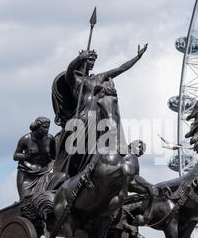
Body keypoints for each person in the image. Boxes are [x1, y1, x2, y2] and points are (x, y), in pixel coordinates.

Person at [51, 44, 148, 177]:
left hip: (99, 114)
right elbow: (69, 69)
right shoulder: (74, 79)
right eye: (89, 60)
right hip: (83, 115)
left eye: (93, 61)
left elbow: (120, 69)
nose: (92, 63)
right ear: (83, 60)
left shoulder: (98, 78)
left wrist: (137, 57)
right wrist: (78, 58)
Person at [13, 117, 57, 200]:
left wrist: (51, 165)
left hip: (43, 173)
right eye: (44, 127)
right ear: (37, 127)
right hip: (27, 175)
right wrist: (25, 156)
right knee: (26, 201)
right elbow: (15, 156)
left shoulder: (50, 139)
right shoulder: (25, 139)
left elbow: (54, 156)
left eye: (48, 127)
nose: (46, 130)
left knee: (61, 177)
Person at [125, 140, 158, 226]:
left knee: (151, 191)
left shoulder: (134, 159)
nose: (141, 152)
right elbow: (135, 177)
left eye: (143, 151)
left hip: (128, 183)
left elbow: (136, 177)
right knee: (152, 190)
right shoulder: (128, 155)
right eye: (140, 148)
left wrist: (148, 187)